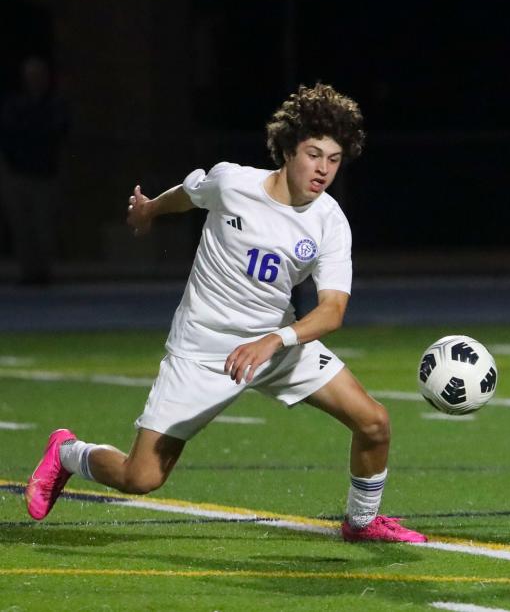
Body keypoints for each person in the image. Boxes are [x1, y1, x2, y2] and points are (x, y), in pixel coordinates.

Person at [25, 82, 426, 543]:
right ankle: (68, 452)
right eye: (314, 154)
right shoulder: (233, 183)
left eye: (334, 160)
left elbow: (332, 310)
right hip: (201, 348)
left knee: (374, 421)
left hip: (273, 344)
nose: (323, 169)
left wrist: (275, 339)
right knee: (142, 478)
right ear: (288, 150)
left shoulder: (329, 220)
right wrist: (150, 210)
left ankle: (361, 523)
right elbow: (190, 193)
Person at [0, 56, 69, 286]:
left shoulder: (54, 104)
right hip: (18, 173)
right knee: (22, 226)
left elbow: (57, 133)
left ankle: (44, 272)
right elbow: (9, 134)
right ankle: (28, 272)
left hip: (45, 175)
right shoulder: (15, 104)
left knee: (44, 226)